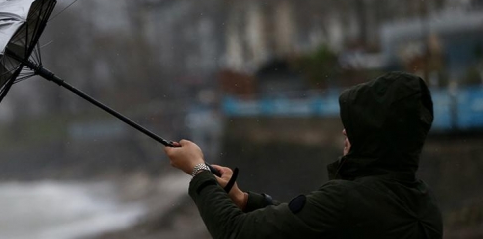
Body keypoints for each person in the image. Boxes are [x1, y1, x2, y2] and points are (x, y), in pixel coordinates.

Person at [164, 71, 443, 238]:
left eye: (355, 126)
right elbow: (307, 224)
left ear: (376, 136)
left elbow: (237, 233)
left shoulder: (347, 201)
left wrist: (198, 170)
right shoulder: (422, 204)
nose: (345, 132)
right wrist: (244, 199)